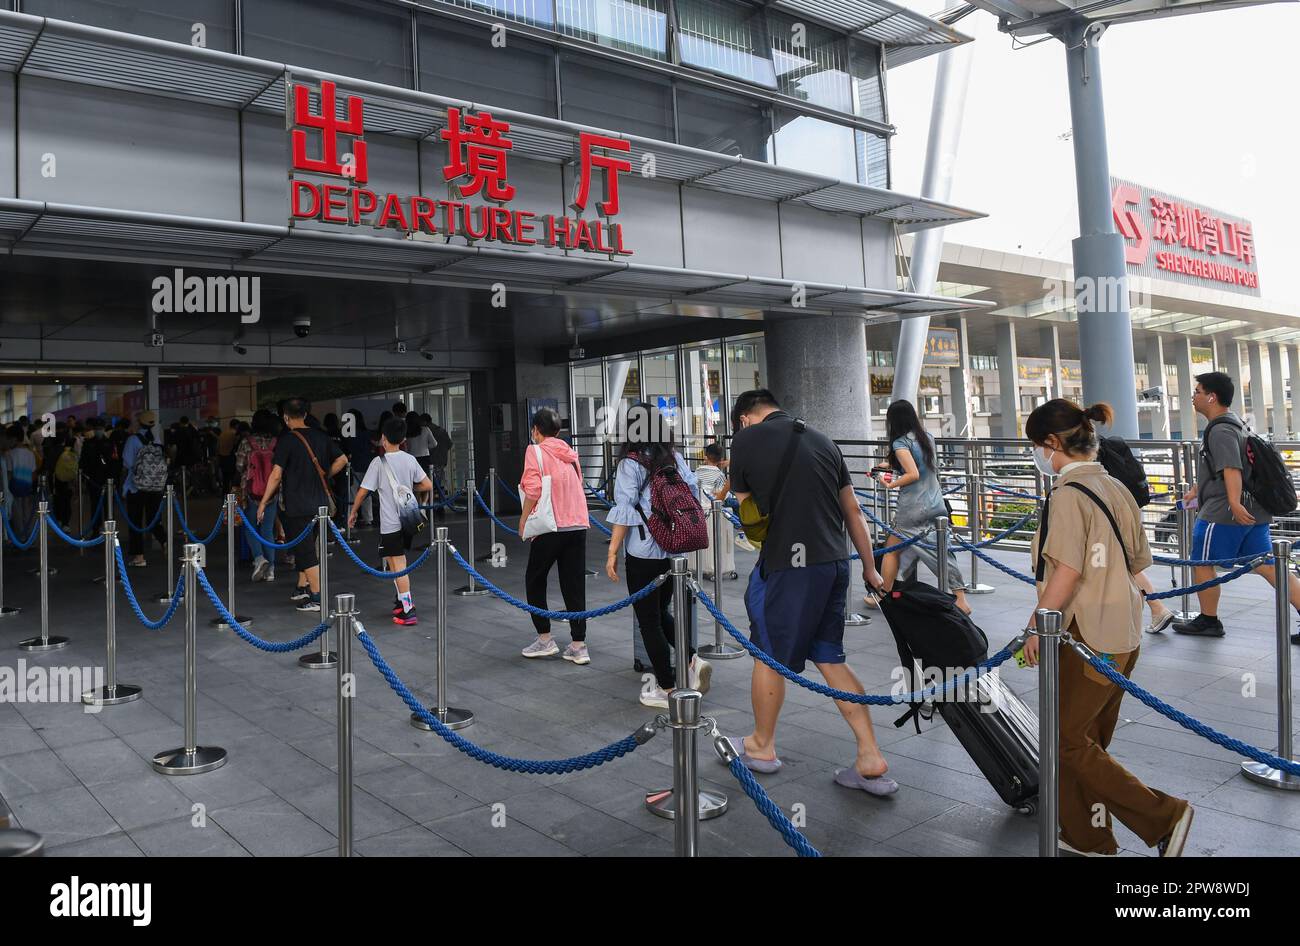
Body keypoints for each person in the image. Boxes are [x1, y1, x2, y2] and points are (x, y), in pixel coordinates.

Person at [1022, 398, 1194, 857]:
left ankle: (1164, 815)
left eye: (1037, 446)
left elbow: (1066, 572)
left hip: (1086, 635)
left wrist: (1035, 627)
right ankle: (1088, 836)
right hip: (1124, 630)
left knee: (1067, 741)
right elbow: (1138, 560)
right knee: (1086, 740)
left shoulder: (1066, 495)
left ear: (1053, 444)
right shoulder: (1116, 487)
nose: (1038, 456)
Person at [724, 389, 896, 795]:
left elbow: (746, 505)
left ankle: (761, 747)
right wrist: (869, 568)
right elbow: (851, 510)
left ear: (746, 417)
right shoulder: (823, 439)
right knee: (829, 656)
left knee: (768, 652)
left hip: (788, 567)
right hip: (834, 564)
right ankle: (870, 756)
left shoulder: (747, 439)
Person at [1171, 371, 1300, 640]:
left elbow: (1231, 467)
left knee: (1202, 562)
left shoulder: (1220, 429)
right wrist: (1197, 489)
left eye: (1197, 391)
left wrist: (1232, 501)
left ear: (1211, 396)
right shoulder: (1238, 424)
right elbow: (1220, 468)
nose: (1193, 397)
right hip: (1253, 511)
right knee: (1267, 566)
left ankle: (1209, 620)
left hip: (1225, 513)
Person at [605, 402, 711, 708]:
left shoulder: (631, 463)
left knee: (648, 620)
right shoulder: (673, 457)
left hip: (642, 552)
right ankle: (692, 660)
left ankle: (666, 688)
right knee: (661, 612)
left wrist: (612, 552)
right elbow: (694, 494)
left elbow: (624, 513)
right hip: (673, 550)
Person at [876, 399, 972, 614]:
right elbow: (920, 465)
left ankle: (883, 594)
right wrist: (889, 465)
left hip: (912, 508)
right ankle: (960, 598)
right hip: (935, 502)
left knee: (891, 550)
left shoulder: (900, 443)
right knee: (941, 551)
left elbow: (912, 474)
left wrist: (890, 483)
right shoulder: (926, 437)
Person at [257, 398, 346, 612]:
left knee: (305, 552)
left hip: (298, 506)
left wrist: (263, 502)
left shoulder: (286, 441)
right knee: (306, 548)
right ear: (305, 415)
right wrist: (324, 476)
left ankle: (317, 597)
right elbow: (342, 459)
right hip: (320, 505)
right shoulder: (321, 436)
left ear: (286, 417)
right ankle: (303, 586)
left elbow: (276, 475)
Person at [518, 408, 592, 664]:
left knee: (535, 579)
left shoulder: (534, 450)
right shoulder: (570, 454)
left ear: (535, 430)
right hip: (578, 524)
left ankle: (544, 639)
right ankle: (578, 645)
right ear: (558, 431)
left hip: (551, 526)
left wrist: (523, 519)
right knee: (573, 584)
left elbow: (534, 489)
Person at [349, 417, 432, 626]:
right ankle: (400, 600)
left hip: (391, 524)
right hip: (408, 521)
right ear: (403, 439)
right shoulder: (409, 459)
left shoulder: (378, 462)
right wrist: (410, 490)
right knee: (397, 561)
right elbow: (427, 484)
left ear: (383, 438)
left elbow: (362, 492)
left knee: (398, 565)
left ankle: (408, 609)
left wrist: (353, 512)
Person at [121, 411, 170, 567]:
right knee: (154, 519)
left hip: (136, 487)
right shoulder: (156, 441)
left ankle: (139, 557)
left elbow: (128, 463)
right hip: (155, 487)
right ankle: (164, 542)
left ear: (138, 422)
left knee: (135, 521)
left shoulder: (132, 440)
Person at [237, 409, 280, 583]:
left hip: (251, 492)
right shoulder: (276, 442)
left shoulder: (247, 442)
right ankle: (271, 570)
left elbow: (240, 466)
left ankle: (259, 558)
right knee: (268, 530)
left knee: (250, 527)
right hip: (272, 492)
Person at [691, 442, 736, 581]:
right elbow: (723, 496)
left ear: (705, 457)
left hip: (698, 511)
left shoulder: (696, 473)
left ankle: (697, 565)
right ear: (721, 459)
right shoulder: (719, 476)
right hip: (714, 511)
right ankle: (742, 534)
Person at [3, 424, 37, 541]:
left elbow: (9, 473)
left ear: (14, 439)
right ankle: (28, 537)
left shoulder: (9, 454)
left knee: (16, 516)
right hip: (27, 488)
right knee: (27, 514)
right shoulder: (30, 453)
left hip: (13, 489)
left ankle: (19, 539)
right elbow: (33, 473)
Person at [218, 418, 241, 494]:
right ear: (236, 425)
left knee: (225, 480)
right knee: (232, 481)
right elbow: (235, 446)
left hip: (222, 458)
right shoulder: (234, 434)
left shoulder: (223, 433)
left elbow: (218, 446)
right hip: (230, 458)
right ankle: (230, 502)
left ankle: (224, 498)